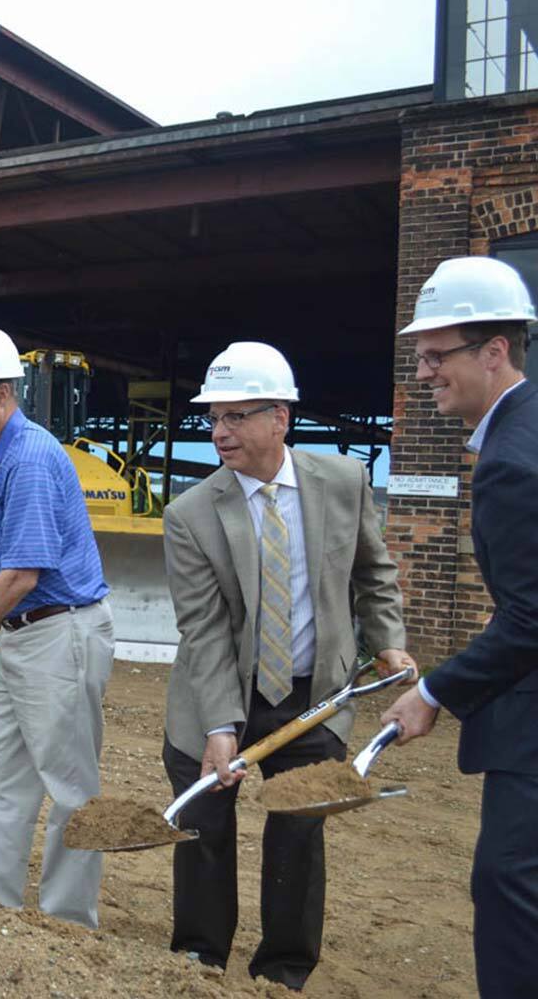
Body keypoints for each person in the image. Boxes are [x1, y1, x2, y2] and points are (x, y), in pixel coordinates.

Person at [161, 341, 413, 990]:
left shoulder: (341, 483)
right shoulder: (190, 514)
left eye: (236, 417)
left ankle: (283, 968)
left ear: (281, 418)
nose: (219, 432)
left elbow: (372, 571)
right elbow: (205, 629)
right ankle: (200, 956)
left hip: (313, 693)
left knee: (299, 830)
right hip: (217, 691)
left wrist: (386, 639)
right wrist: (221, 724)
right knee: (202, 827)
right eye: (214, 418)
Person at [380, 256, 538, 998]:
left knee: (508, 886)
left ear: (495, 351)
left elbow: (532, 617)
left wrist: (436, 691)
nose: (423, 370)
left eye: (437, 355)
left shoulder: (513, 462)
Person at [0, 326, 114, 928]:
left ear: (4, 392)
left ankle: (66, 922)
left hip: (60, 633)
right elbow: (4, 560)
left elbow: (24, 576)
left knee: (67, 787)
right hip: (25, 634)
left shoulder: (30, 458)